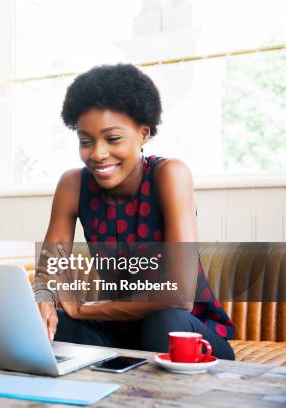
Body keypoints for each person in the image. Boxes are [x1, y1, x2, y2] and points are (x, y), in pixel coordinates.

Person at [36, 64, 235, 360]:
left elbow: (177, 296)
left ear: (143, 133)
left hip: (189, 331)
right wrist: (46, 300)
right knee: (57, 328)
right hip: (119, 332)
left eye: (112, 139)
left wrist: (84, 308)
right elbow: (50, 270)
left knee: (164, 322)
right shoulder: (72, 184)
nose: (98, 153)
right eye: (85, 141)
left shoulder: (170, 175)